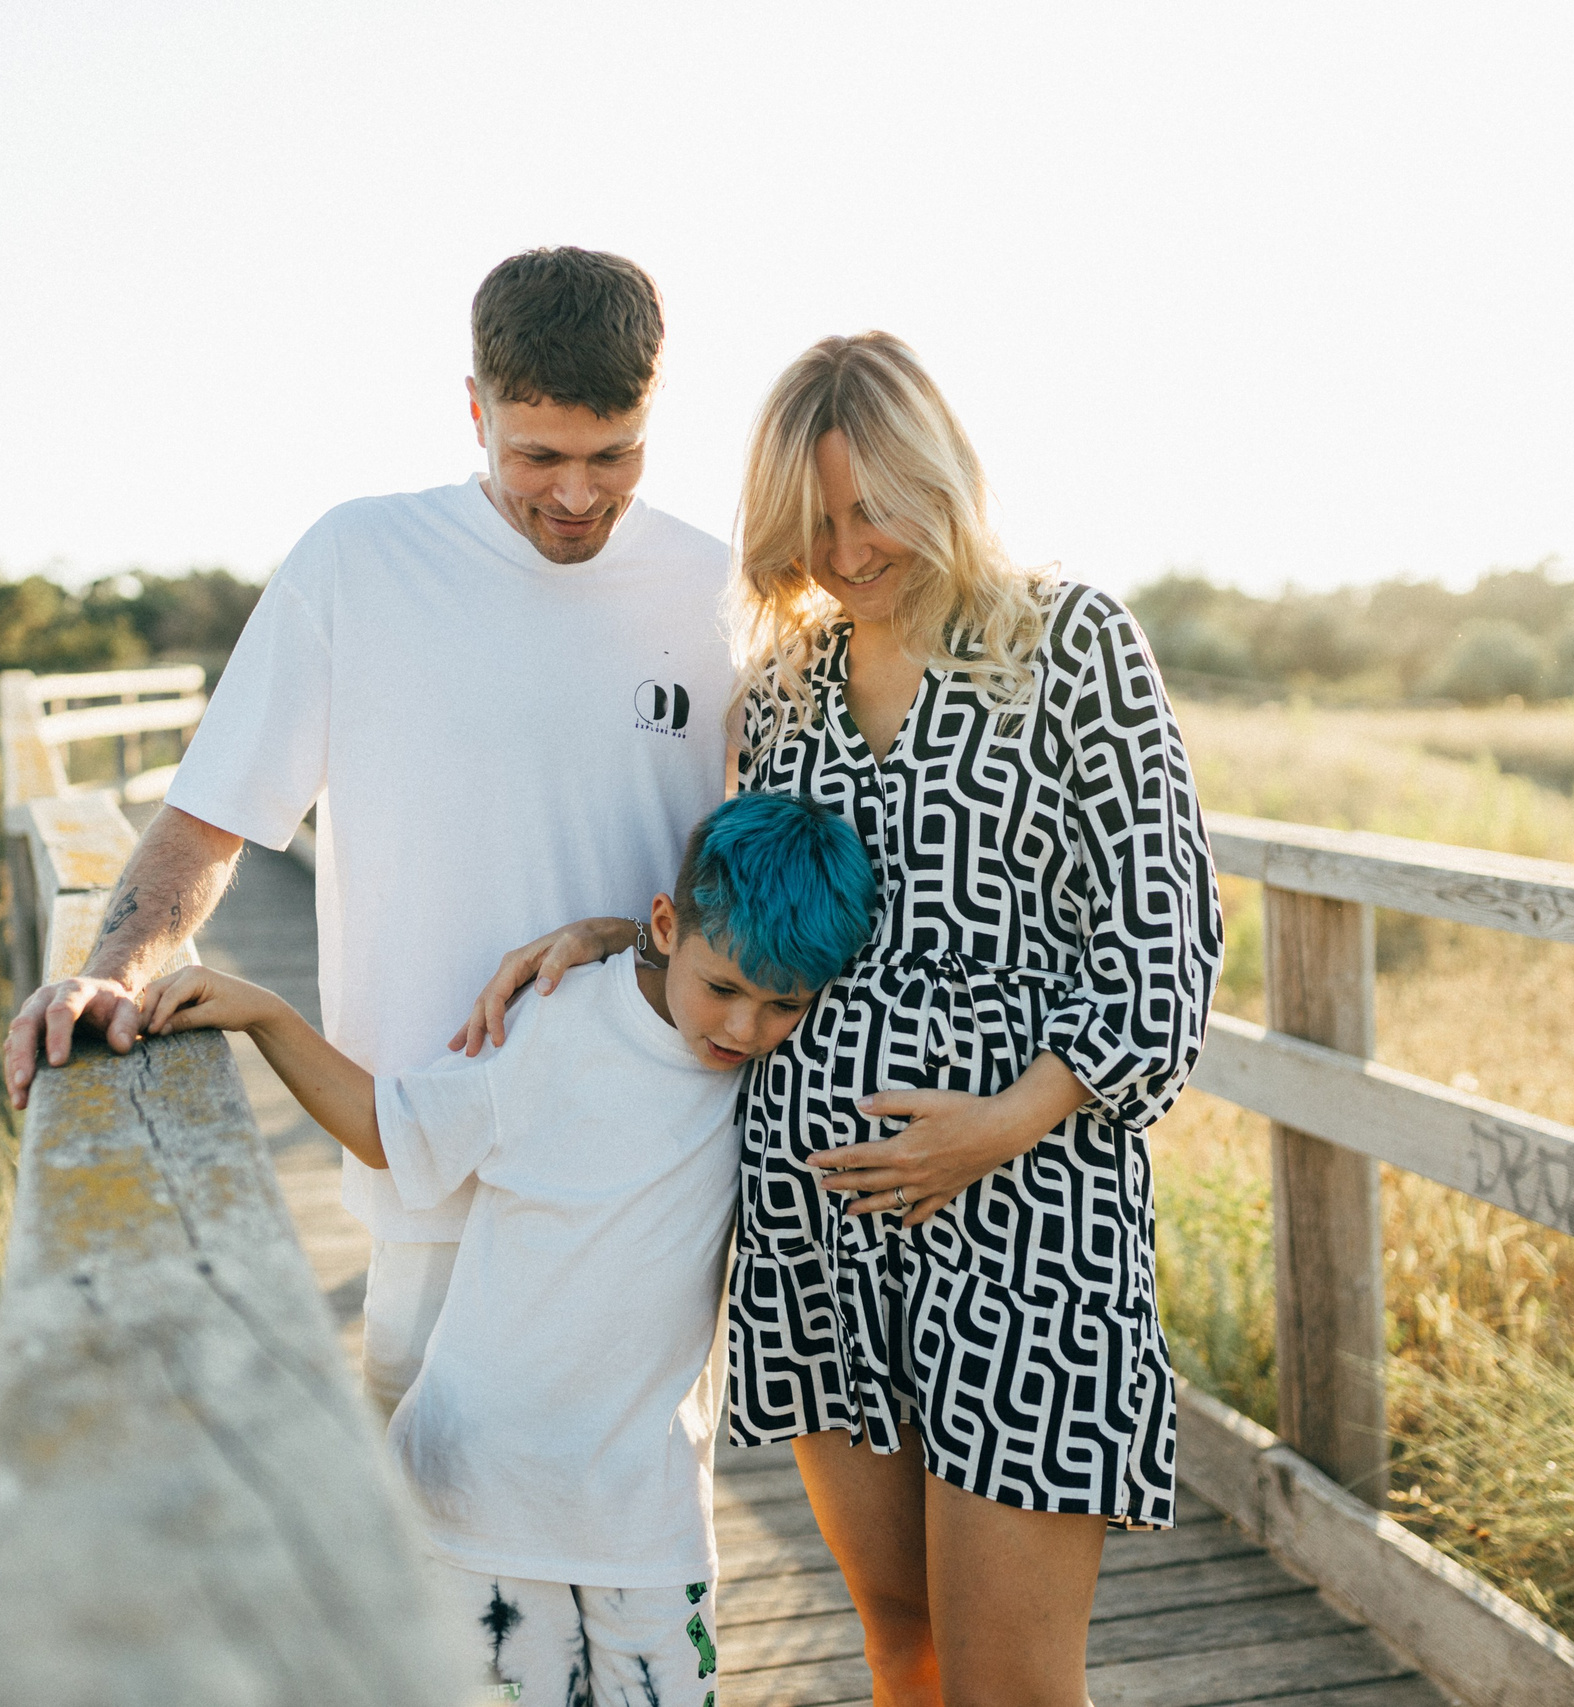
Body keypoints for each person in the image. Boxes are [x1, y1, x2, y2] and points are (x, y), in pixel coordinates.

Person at [456, 332, 1223, 1707]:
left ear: (942, 481)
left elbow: (1164, 939)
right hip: (817, 1229)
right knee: (902, 1648)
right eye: (814, 523)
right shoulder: (785, 690)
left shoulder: (1069, 643)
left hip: (1026, 1226)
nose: (850, 550)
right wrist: (621, 942)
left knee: (1010, 1683)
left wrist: (997, 1126)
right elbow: (754, 921)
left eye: (876, 508)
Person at [1, 247, 736, 1419]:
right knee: (419, 1512)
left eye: (614, 455)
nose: (576, 495)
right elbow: (211, 818)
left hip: (648, 1181)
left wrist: (625, 937)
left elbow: (757, 871)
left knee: (641, 1515)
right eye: (537, 456)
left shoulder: (723, 593)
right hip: (425, 1160)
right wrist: (116, 969)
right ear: (474, 410)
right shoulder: (360, 562)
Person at [130, 793, 877, 1707]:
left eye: (782, 1005)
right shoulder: (557, 1022)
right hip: (482, 1492)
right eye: (722, 988)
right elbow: (388, 1128)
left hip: (648, 1514)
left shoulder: (779, 1073)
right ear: (665, 925)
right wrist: (265, 1015)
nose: (743, 1029)